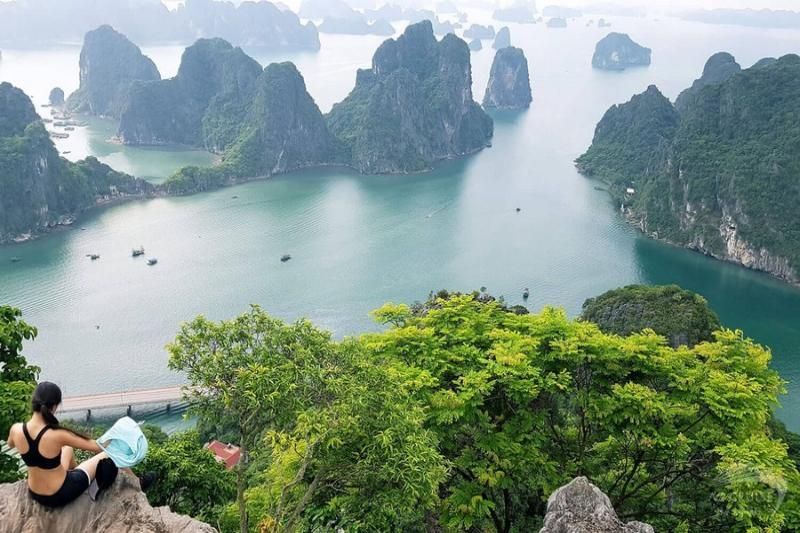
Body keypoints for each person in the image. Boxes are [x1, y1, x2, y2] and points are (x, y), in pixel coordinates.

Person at [6, 381, 109, 508]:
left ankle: (75, 472)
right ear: (54, 407)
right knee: (105, 453)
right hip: (59, 494)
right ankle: (80, 479)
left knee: (67, 448)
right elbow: (97, 446)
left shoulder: (16, 430)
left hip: (35, 493)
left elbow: (10, 444)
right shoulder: (58, 434)